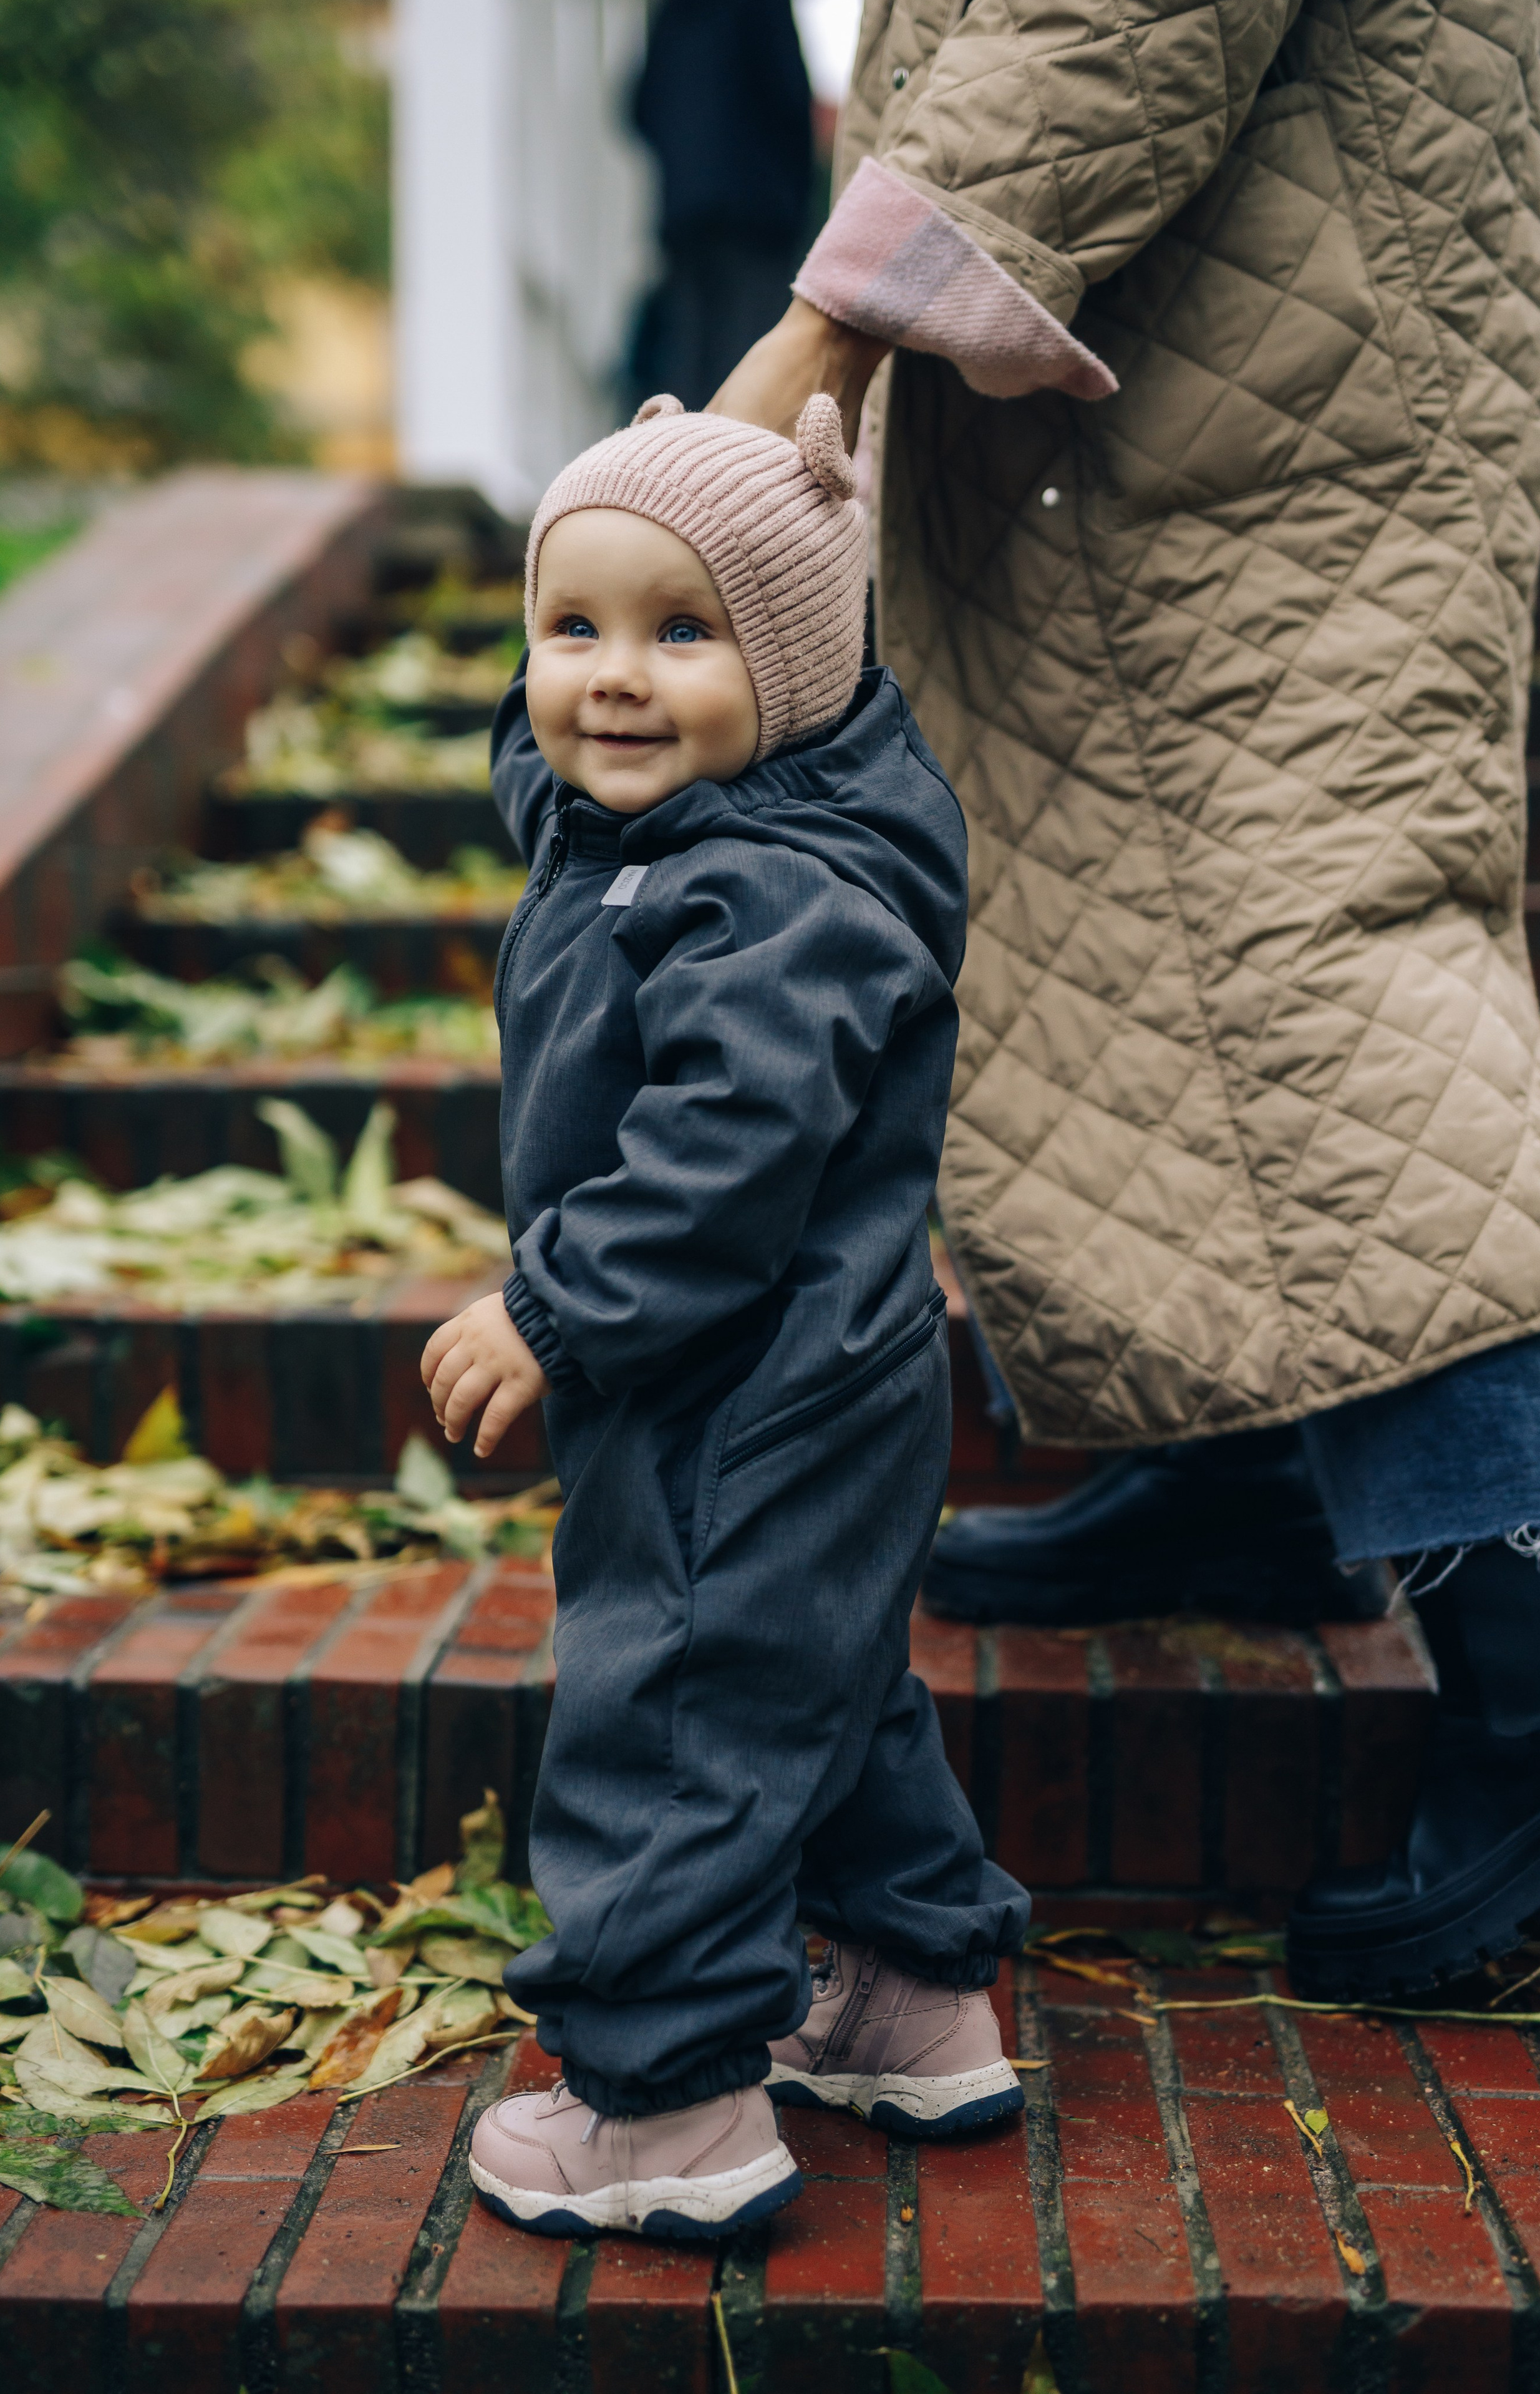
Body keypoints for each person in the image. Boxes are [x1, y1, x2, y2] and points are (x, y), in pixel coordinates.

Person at [707, 0, 1540, 2000]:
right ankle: (1248, 1467)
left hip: (1261, 406)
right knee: (1180, 965)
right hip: (1227, 362)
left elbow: (1117, 13)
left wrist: (837, 312)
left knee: (1321, 989)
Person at [420, 393, 1028, 2239]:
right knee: (817, 1674)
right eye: (570, 627)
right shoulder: (717, 814)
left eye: (681, 634)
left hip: (734, 1377)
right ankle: (912, 1998)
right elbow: (571, 770)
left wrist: (552, 1303)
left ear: (797, 664)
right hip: (813, 1374)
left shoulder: (773, 894)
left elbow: (718, 1155)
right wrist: (607, 691)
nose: (612, 679)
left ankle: (666, 2100)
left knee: (677, 1702)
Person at [628, 0, 816, 413]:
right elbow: (789, 91)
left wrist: (685, 157)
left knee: (686, 372)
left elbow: (637, 107)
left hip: (687, 218)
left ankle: (679, 472)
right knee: (750, 367)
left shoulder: (674, 12)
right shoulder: (762, 6)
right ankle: (741, 475)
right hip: (759, 214)